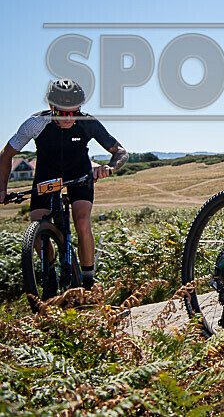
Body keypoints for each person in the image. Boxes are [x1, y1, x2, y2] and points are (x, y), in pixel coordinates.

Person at [0, 80, 128, 294]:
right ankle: (49, 276)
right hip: (46, 176)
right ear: (52, 108)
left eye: (74, 112)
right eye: (63, 114)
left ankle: (88, 284)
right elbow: (6, 155)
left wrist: (109, 168)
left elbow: (121, 152)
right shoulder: (35, 124)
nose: (69, 118)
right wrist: (2, 190)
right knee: (38, 225)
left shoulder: (87, 123)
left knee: (81, 221)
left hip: (79, 175)